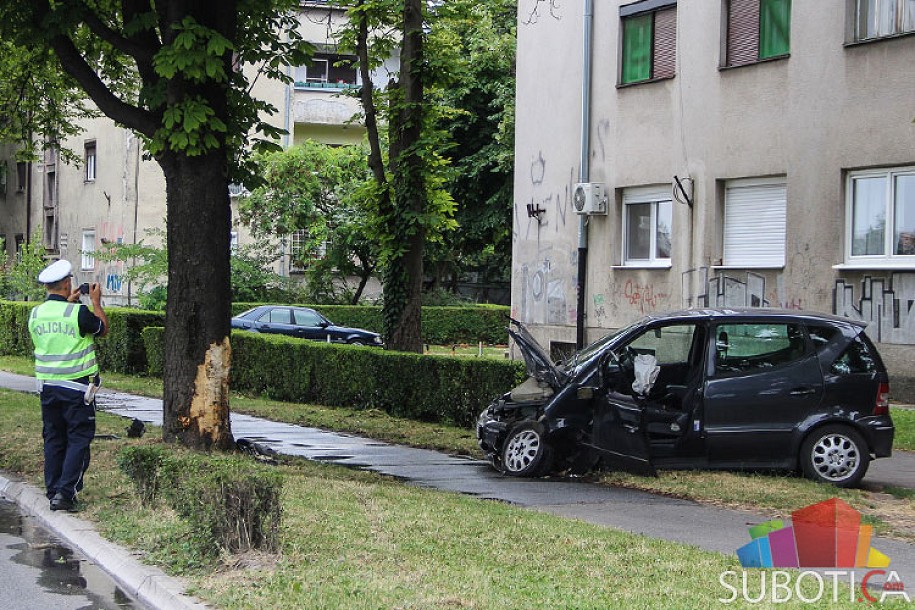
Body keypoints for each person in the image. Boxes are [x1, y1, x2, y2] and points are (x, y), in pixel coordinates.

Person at [28, 259, 108, 511]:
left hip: (47, 387)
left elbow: (57, 332)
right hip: (77, 390)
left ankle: (53, 490)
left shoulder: (36, 313)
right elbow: (102, 329)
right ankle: (65, 493)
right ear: (66, 283)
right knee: (78, 438)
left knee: (53, 438)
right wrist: (95, 302)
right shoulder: (78, 313)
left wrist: (70, 302)